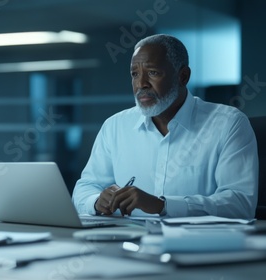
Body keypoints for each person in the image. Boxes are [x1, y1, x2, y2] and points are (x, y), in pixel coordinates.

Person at [72, 34, 258, 219]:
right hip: (129, 241)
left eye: (153, 73)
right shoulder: (115, 126)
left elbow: (240, 203)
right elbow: (84, 189)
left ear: (183, 76)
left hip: (197, 244)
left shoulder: (228, 123)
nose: (141, 84)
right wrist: (97, 201)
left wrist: (162, 205)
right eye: (135, 74)